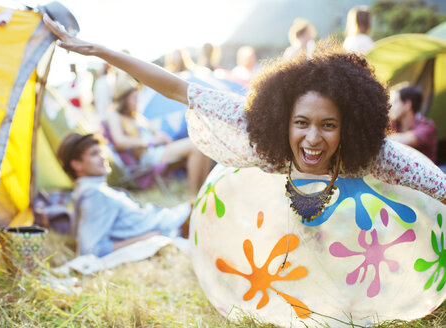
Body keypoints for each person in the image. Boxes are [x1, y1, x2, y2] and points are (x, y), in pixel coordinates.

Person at [43, 15, 446, 211]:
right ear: (282, 121)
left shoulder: (375, 155)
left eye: (329, 125)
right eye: (301, 123)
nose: (312, 138)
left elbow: (438, 188)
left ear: (350, 128)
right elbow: (176, 87)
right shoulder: (255, 126)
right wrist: (99, 51)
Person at [56, 132, 192, 257]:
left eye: (101, 151)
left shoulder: (88, 190)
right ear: (76, 165)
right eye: (94, 154)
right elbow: (90, 250)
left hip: (169, 219)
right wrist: (145, 239)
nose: (103, 157)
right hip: (172, 226)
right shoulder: (94, 194)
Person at [106, 80, 212, 193]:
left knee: (202, 143)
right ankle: (194, 193)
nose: (137, 102)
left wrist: (161, 136)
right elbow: (120, 141)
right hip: (147, 154)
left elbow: (154, 131)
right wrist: (149, 142)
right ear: (124, 99)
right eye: (134, 98)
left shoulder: (136, 116)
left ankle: (203, 190)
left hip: (157, 149)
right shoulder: (114, 115)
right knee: (194, 146)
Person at [388, 85, 438, 163]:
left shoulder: (427, 127)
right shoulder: (395, 124)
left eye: (396, 102)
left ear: (407, 105)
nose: (391, 106)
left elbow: (406, 140)